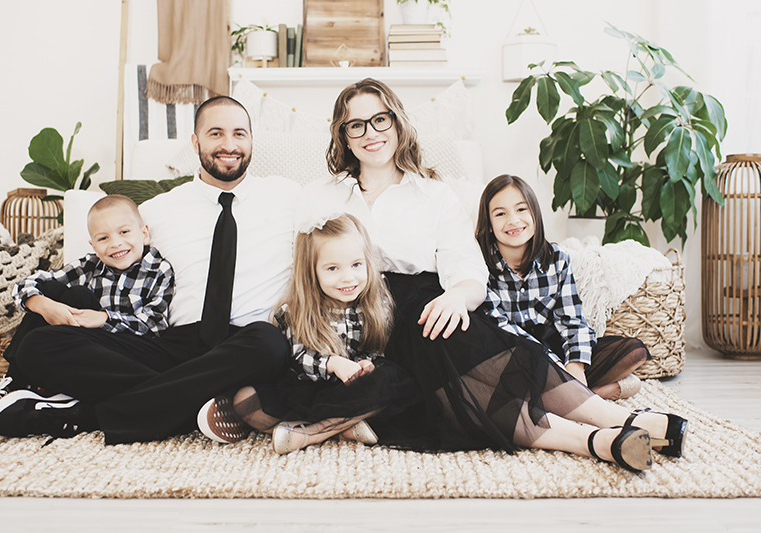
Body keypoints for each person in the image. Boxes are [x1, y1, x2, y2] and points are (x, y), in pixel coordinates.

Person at [291, 78, 687, 470]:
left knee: (465, 350)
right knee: (470, 378)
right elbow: (302, 272)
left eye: (380, 120)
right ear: (343, 136)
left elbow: (468, 271)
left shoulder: (434, 195)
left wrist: (454, 297)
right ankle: (617, 430)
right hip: (361, 318)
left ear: (397, 123)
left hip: (430, 306)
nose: (370, 133)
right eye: (356, 125)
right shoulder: (320, 195)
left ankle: (607, 433)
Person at [0, 96, 300, 445]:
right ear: (195, 142)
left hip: (244, 347)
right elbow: (105, 256)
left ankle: (82, 415)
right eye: (216, 133)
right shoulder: (155, 211)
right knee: (38, 345)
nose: (229, 144)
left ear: (251, 140)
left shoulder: (289, 197)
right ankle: (199, 400)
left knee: (270, 344)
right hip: (169, 346)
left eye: (239, 133)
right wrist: (49, 304)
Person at [200, 213, 418, 453]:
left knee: (393, 379)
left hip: (354, 391)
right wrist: (333, 363)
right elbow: (299, 356)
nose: (348, 277)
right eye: (332, 268)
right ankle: (341, 427)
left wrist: (366, 365)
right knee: (245, 399)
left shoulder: (377, 303)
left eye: (356, 265)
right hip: (309, 389)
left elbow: (376, 349)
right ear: (311, 272)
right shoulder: (296, 311)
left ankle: (310, 434)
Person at [0, 195, 174, 424]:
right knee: (62, 291)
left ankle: (21, 383)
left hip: (124, 351)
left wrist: (104, 318)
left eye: (124, 232)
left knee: (78, 295)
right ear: (94, 246)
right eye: (103, 238)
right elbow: (26, 284)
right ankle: (14, 381)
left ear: (144, 233)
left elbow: (154, 324)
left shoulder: (158, 269)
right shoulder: (91, 266)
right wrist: (44, 305)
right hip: (78, 344)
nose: (115, 243)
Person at [474, 174, 648, 400]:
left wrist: (575, 366)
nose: (513, 220)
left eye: (521, 209)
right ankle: (586, 396)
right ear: (488, 225)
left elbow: (571, 320)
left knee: (634, 350)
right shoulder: (478, 265)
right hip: (514, 356)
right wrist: (553, 366)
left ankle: (572, 394)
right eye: (500, 214)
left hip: (556, 347)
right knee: (497, 380)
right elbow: (500, 328)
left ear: (534, 214)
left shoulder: (557, 259)